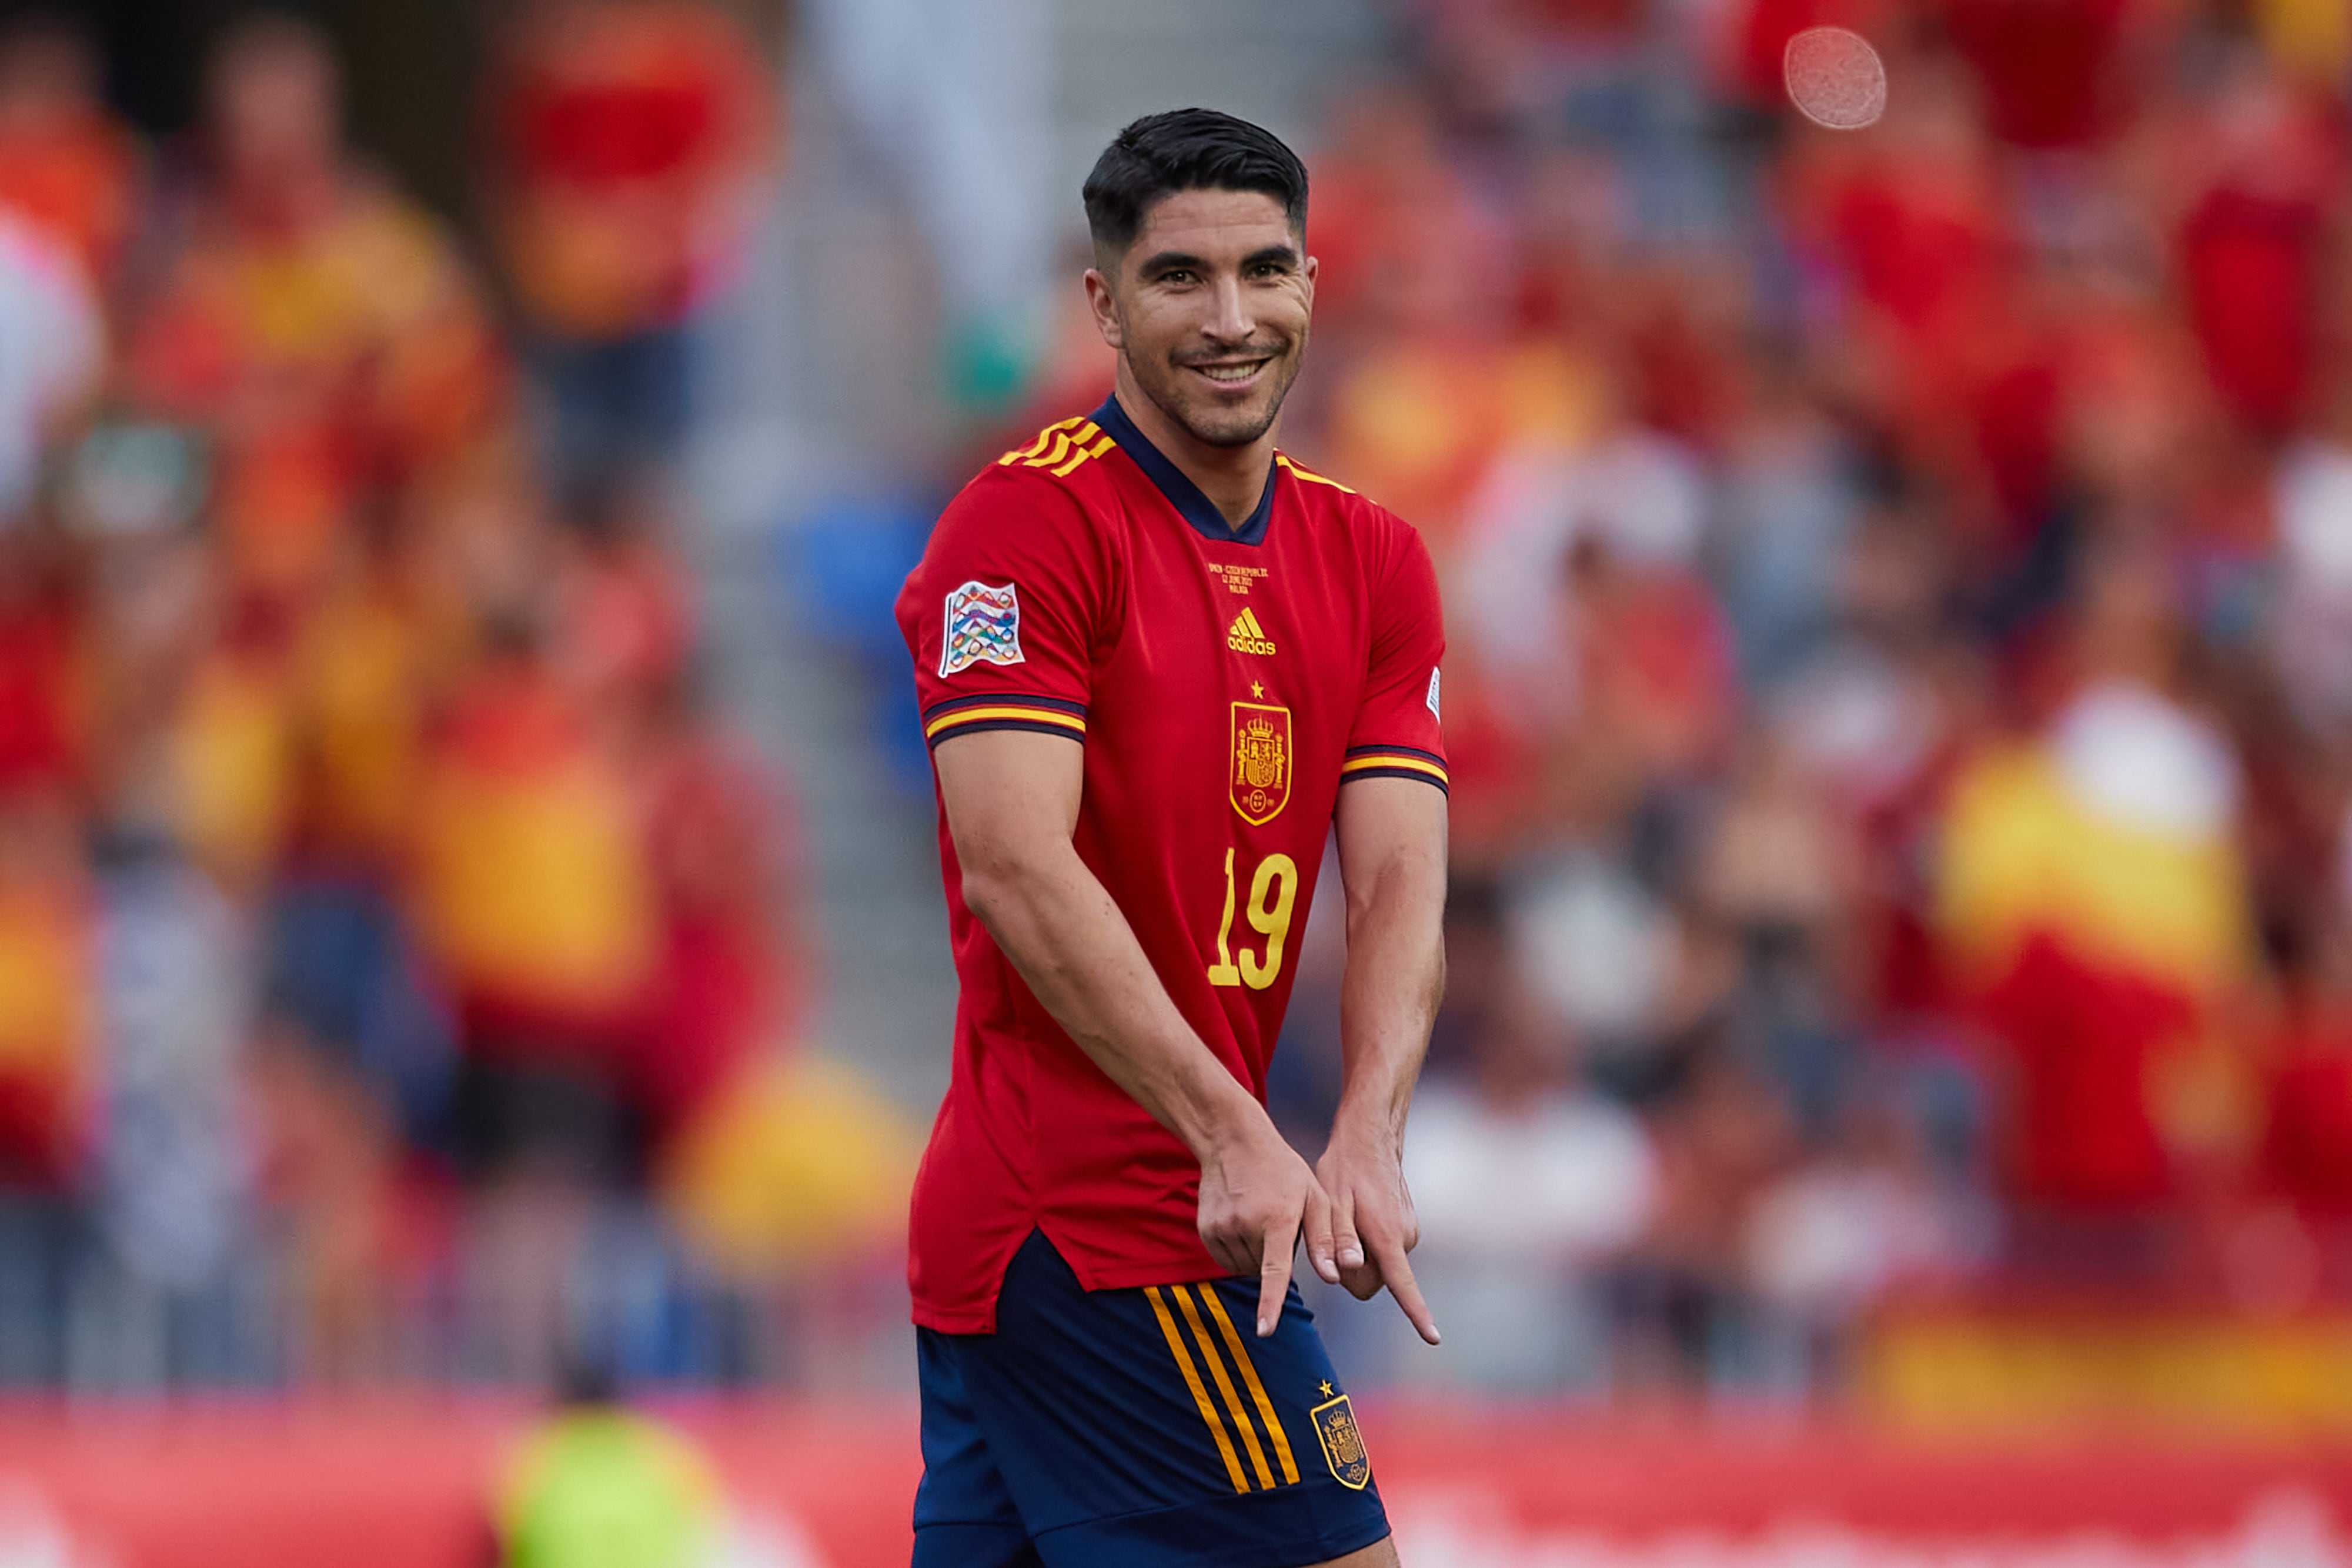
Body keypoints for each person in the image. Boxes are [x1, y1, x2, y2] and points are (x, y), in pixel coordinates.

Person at [894, 109, 1449, 1567]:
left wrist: (1370, 1132)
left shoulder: (1373, 556)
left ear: (1312, 286)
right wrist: (1232, 1132)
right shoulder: (1022, 532)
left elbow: (1396, 871)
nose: (1229, 319)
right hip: (1106, 1224)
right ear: (1103, 305)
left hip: (1119, 1225)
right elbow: (1015, 865)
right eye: (1177, 279)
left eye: (1264, 272)